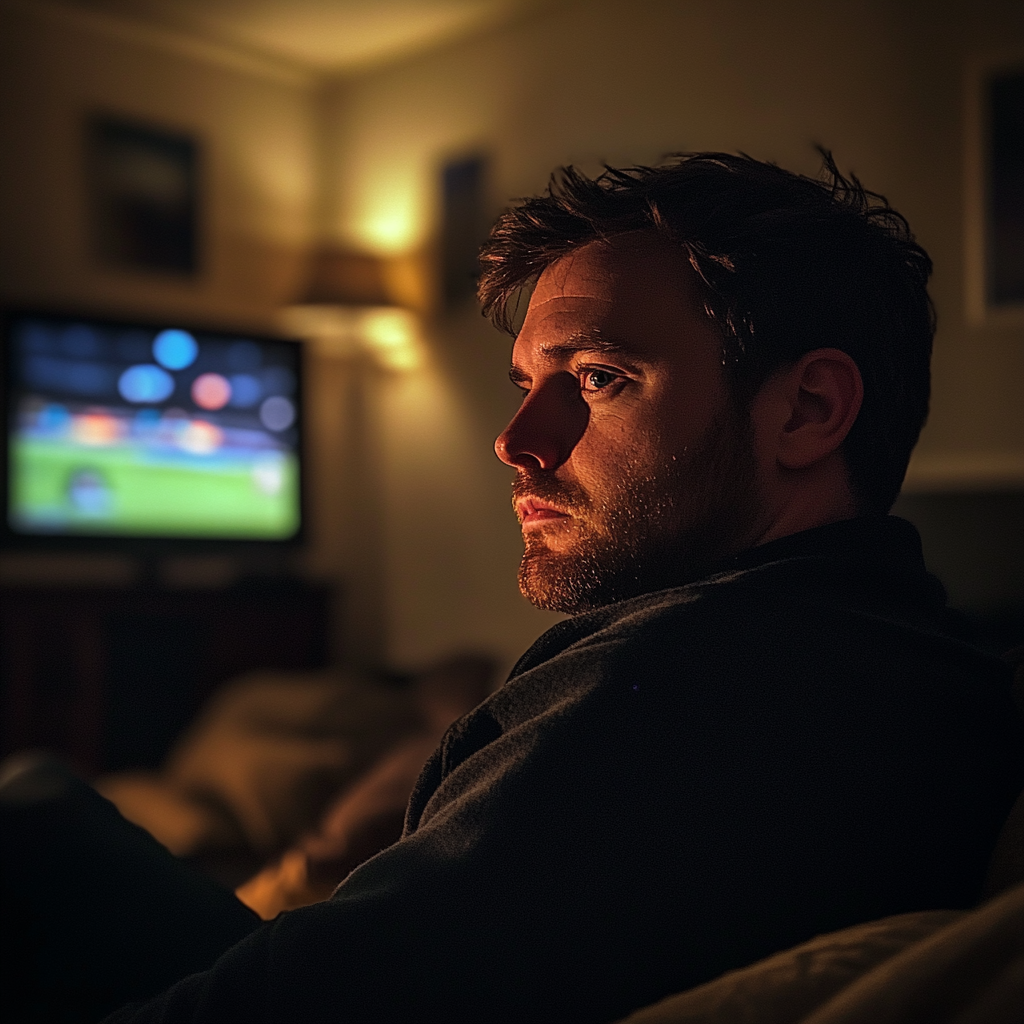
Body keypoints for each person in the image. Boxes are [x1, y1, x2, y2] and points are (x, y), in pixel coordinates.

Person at [6, 152, 1022, 1024]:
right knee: (47, 801)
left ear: (806, 408)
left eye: (595, 378)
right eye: (523, 384)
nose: (516, 443)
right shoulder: (927, 659)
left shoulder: (684, 679)